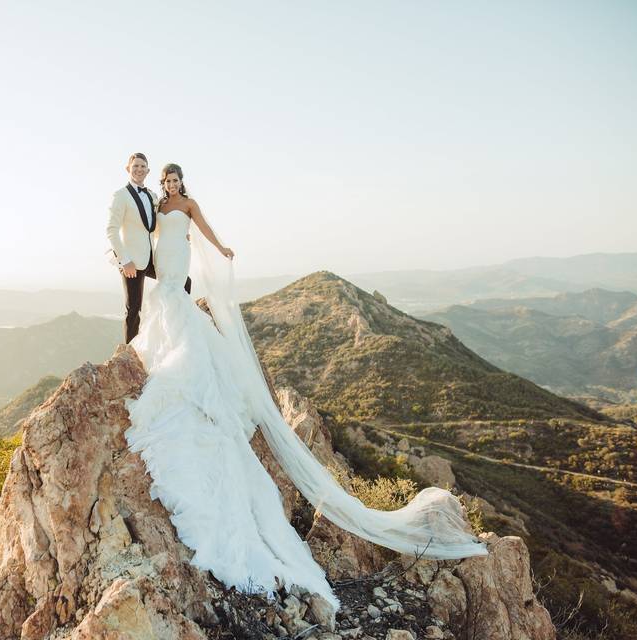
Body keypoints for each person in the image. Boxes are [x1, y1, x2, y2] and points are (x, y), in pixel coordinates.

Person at [123, 163, 488, 622]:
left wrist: (222, 248)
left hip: (180, 266)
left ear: (182, 183)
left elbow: (208, 232)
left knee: (179, 314)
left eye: (176, 181)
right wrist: (123, 254)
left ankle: (188, 377)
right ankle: (166, 360)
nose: (172, 186)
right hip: (165, 265)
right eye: (168, 181)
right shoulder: (158, 206)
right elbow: (142, 232)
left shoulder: (188, 206)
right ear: (163, 184)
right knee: (168, 308)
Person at [105, 152, 190, 343]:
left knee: (185, 283)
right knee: (134, 308)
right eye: (135, 166)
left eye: (143, 166)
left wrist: (180, 233)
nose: (139, 169)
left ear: (148, 170)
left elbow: (154, 228)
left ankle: (181, 329)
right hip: (132, 262)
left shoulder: (152, 196)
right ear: (128, 169)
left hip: (152, 259)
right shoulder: (120, 195)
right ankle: (129, 353)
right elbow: (111, 230)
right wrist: (125, 261)